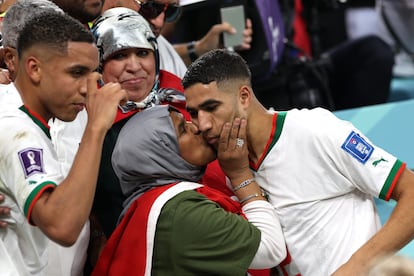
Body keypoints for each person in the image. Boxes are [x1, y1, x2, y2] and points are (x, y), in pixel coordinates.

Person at [182, 48, 414, 275]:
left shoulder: (315, 130)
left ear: (244, 96)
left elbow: (411, 192)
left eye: (211, 107)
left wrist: (358, 266)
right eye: (193, 113)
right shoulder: (228, 168)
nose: (203, 124)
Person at [0, 11, 127, 274]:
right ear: (34, 69)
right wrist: (96, 127)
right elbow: (63, 226)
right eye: (76, 73)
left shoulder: (32, 121)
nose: (87, 88)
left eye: (92, 74)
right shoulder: (15, 127)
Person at [92, 104, 286, 275]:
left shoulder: (150, 205)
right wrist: (240, 175)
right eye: (183, 130)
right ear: (159, 152)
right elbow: (270, 248)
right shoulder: (179, 211)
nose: (197, 127)